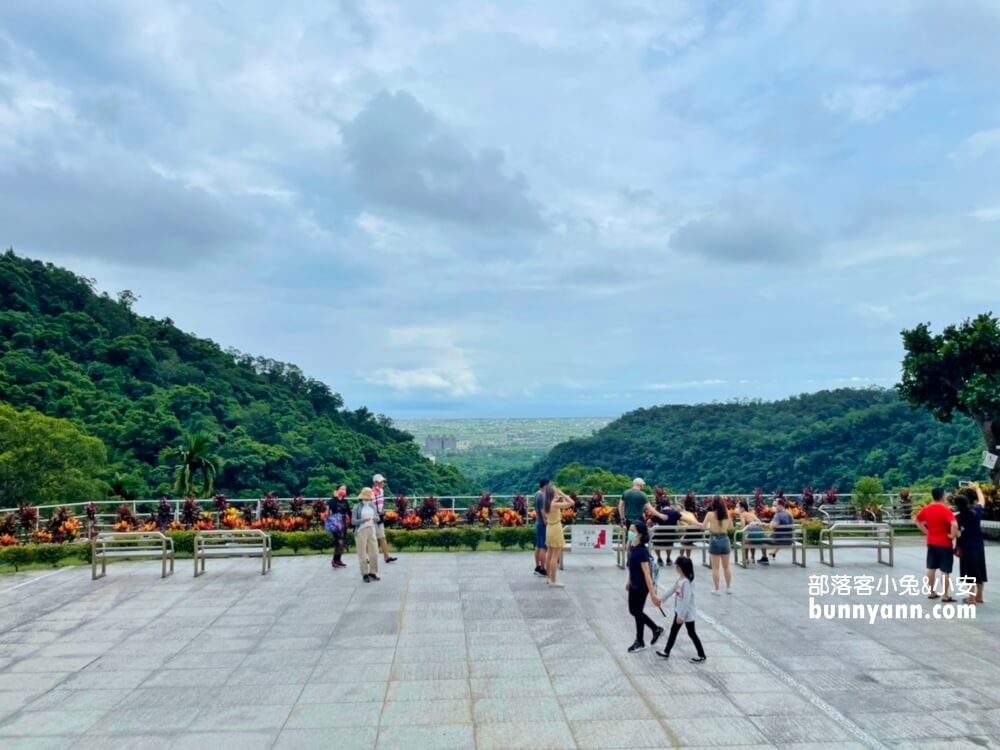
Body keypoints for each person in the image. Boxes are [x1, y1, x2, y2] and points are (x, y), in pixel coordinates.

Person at [655, 555, 706, 663]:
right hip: (680, 612)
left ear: (682, 568)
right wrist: (661, 600)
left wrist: (681, 616)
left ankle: (701, 655)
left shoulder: (686, 583)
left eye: (677, 566)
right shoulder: (680, 580)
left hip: (686, 614)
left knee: (691, 633)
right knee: (674, 631)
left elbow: (686, 601)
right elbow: (672, 590)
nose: (676, 568)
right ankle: (666, 651)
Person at [625, 521, 664, 653]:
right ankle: (656, 629)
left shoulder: (642, 551)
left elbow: (647, 574)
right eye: (629, 529)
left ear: (640, 534)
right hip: (633, 583)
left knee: (637, 612)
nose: (630, 532)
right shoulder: (631, 545)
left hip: (642, 586)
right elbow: (631, 566)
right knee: (633, 611)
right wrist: (629, 580)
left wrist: (653, 594)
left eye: (633, 531)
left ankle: (640, 641)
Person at [915, 487, 959, 601]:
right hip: (944, 543)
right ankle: (945, 595)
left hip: (931, 542)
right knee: (945, 570)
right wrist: (953, 535)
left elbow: (917, 520)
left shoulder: (927, 508)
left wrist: (926, 532)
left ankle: (932, 592)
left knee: (931, 568)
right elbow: (954, 524)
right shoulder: (945, 509)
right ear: (942, 496)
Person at [954, 483, 987, 605]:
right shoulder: (976, 512)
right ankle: (979, 596)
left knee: (969, 572)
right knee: (979, 569)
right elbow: (982, 500)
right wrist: (977, 488)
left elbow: (958, 535)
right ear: (967, 503)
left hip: (966, 547)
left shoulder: (957, 518)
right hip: (978, 545)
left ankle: (971, 598)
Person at [544, 485, 575, 588]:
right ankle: (553, 580)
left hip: (549, 527)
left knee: (549, 553)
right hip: (556, 528)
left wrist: (557, 497)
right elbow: (571, 502)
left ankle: (549, 577)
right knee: (555, 556)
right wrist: (563, 494)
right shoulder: (555, 504)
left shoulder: (547, 504)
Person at [703, 496, 733, 594]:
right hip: (725, 539)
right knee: (726, 566)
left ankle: (717, 589)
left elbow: (703, 527)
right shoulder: (727, 514)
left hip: (715, 540)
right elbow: (730, 528)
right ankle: (728, 588)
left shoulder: (709, 514)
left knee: (715, 568)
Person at [352, 488, 380, 582]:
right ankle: (365, 574)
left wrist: (376, 518)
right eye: (366, 498)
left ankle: (373, 572)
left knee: (374, 552)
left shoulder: (372, 506)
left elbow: (377, 517)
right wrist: (363, 520)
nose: (368, 500)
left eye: (369, 498)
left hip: (372, 529)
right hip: (361, 531)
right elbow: (353, 521)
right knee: (362, 553)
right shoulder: (357, 507)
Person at [371, 474, 398, 564]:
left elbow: (381, 504)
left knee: (382, 537)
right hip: (373, 517)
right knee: (371, 538)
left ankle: (386, 556)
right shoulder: (371, 493)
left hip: (380, 516)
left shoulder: (381, 491)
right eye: (380, 482)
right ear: (375, 483)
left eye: (382, 481)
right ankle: (369, 557)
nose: (382, 483)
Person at [653, 493, 681, 567]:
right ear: (669, 505)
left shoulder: (658, 514)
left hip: (659, 538)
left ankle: (659, 558)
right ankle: (668, 558)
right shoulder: (675, 513)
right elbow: (683, 520)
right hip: (670, 538)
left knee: (654, 541)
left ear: (661, 506)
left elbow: (649, 523)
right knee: (669, 541)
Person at [327, 485, 352, 569]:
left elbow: (348, 512)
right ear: (337, 490)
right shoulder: (332, 501)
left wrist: (352, 521)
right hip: (335, 522)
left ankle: (338, 559)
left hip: (343, 522)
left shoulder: (345, 501)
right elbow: (331, 508)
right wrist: (336, 497)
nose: (343, 490)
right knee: (339, 541)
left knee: (343, 541)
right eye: (341, 489)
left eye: (344, 489)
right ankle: (334, 560)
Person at [737, 501, 768, 565]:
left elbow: (743, 527)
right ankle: (753, 558)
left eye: (738, 507)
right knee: (751, 536)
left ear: (742, 508)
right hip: (760, 536)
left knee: (746, 538)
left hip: (751, 537)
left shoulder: (742, 514)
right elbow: (759, 522)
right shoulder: (751, 514)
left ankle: (746, 559)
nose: (737, 509)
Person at [533, 479, 549, 577]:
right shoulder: (543, 496)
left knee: (538, 546)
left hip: (538, 522)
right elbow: (543, 512)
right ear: (545, 486)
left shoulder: (536, 494)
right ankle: (543, 569)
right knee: (543, 547)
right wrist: (547, 523)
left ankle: (537, 566)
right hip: (542, 523)